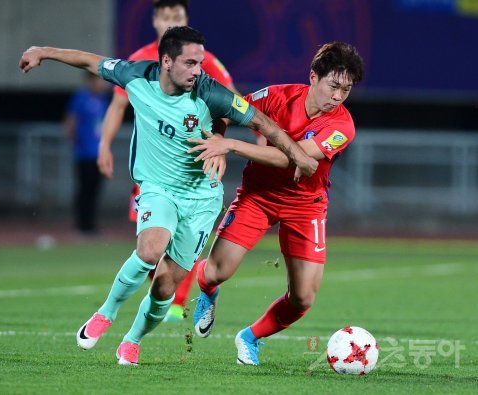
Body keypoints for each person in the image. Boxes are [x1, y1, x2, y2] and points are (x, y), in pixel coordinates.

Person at [19, 26, 317, 366]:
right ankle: (106, 312)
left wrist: (298, 156)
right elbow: (90, 62)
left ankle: (132, 340)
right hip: (157, 189)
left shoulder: (211, 93)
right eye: (190, 63)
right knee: (150, 249)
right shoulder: (135, 75)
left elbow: (265, 124)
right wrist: (43, 50)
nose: (197, 71)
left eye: (200, 63)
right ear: (165, 61)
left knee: (164, 288)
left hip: (201, 199)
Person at [188, 41, 364, 365]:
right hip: (258, 195)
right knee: (216, 271)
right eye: (333, 86)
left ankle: (250, 336)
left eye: (346, 90)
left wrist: (230, 145)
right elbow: (229, 108)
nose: (338, 96)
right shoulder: (276, 96)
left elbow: (291, 158)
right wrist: (218, 135)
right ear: (314, 76)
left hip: (306, 205)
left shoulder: (342, 126)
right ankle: (208, 292)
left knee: (303, 298)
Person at [98, 0, 244, 323]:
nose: (169, 21)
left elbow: (232, 102)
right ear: (154, 21)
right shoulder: (139, 60)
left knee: (179, 239)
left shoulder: (200, 63)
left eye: (176, 16)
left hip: (190, 168)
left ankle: (175, 302)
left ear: (185, 19)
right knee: (150, 245)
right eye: (165, 16)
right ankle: (161, 297)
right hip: (151, 167)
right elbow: (117, 106)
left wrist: (219, 143)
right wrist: (104, 144)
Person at [63, 72, 109, 236]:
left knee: (95, 189)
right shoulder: (81, 98)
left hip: (99, 153)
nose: (102, 84)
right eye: (98, 80)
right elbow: (70, 120)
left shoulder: (103, 100)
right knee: (84, 189)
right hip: (84, 153)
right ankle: (82, 226)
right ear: (90, 80)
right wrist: (73, 141)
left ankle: (91, 224)